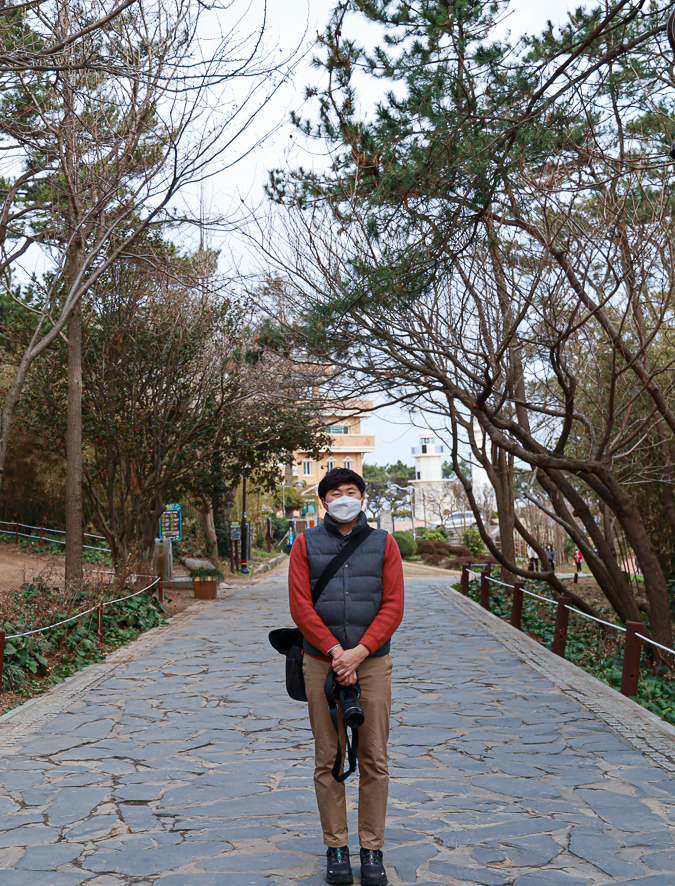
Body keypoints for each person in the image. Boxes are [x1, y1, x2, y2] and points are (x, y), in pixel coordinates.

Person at [289, 467, 404, 886]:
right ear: (323, 501)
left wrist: (360, 651)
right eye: (334, 492)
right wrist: (337, 652)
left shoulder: (384, 543)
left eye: (350, 491)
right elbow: (300, 605)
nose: (343, 498)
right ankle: (336, 845)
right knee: (328, 757)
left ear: (362, 498)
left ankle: (371, 849)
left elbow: (393, 605)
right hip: (322, 660)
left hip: (372, 661)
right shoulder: (304, 543)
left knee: (374, 757)